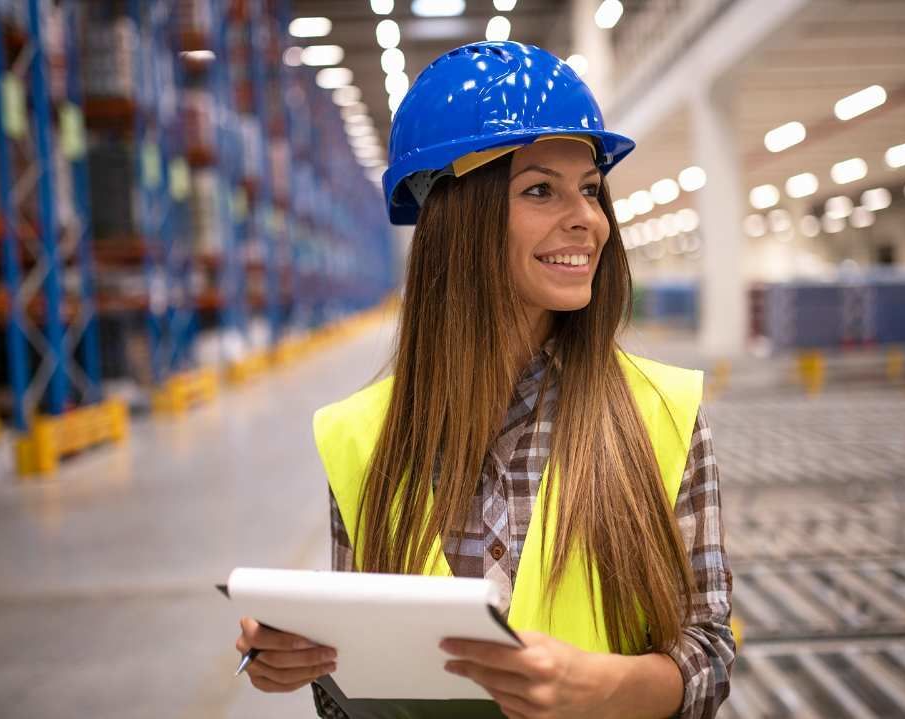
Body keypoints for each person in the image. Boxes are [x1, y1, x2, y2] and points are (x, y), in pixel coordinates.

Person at [234, 40, 735, 719]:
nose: (589, 218)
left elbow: (708, 653)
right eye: (540, 189)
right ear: (458, 222)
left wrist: (604, 689)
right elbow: (361, 692)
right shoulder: (361, 435)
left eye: (590, 190)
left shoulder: (664, 414)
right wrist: (316, 661)